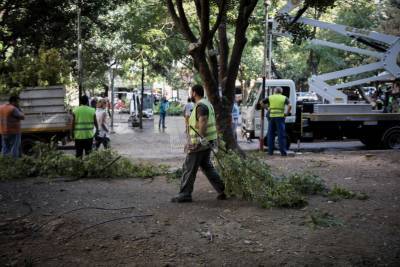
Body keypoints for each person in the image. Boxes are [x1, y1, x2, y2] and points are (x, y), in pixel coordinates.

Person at [171, 84, 226, 203]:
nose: (191, 94)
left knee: (189, 166)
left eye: (191, 92)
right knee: (207, 166)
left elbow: (203, 122)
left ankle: (185, 194)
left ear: (195, 93)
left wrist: (199, 141)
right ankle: (223, 189)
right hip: (208, 141)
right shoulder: (206, 104)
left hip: (201, 143)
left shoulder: (201, 106)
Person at [261, 87, 292, 156]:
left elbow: (261, 102)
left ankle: (270, 152)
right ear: (281, 91)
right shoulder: (284, 98)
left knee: (270, 134)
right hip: (280, 118)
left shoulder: (270, 97)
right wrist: (286, 113)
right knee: (281, 135)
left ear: (275, 91)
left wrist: (267, 108)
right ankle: (283, 153)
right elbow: (290, 105)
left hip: (271, 117)